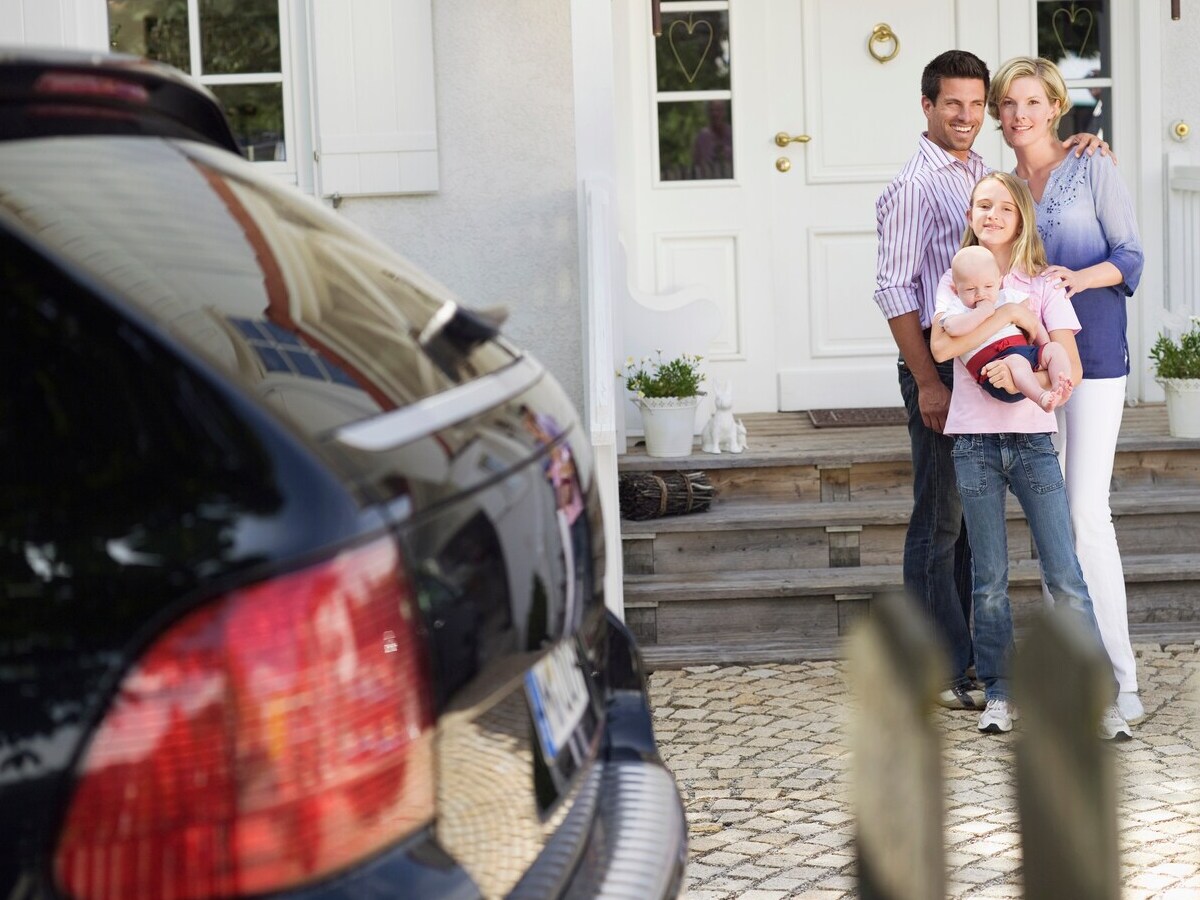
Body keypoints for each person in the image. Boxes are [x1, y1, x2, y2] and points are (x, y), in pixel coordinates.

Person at [873, 50, 1110, 710]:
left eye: (979, 104)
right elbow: (894, 291)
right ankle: (937, 667)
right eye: (954, 103)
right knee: (938, 520)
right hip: (937, 364)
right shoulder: (911, 187)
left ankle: (973, 662)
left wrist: (1081, 143)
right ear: (927, 107)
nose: (968, 116)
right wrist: (927, 380)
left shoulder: (981, 171)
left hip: (986, 373)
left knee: (971, 526)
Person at [930, 171, 1131, 740]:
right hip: (973, 445)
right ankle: (999, 692)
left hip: (1032, 442)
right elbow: (943, 345)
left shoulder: (1042, 284)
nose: (990, 214)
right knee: (989, 578)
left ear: (1020, 218)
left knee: (1065, 573)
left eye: (1002, 207)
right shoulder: (955, 281)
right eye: (981, 205)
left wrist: (1032, 373)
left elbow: (1067, 359)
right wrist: (1010, 317)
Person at [987, 56, 1146, 725]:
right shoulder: (998, 185)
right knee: (1053, 521)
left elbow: (1131, 256)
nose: (1019, 115)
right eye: (1008, 105)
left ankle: (1122, 682)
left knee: (1085, 512)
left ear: (1056, 107)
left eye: (1032, 102)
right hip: (1028, 365)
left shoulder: (1092, 168)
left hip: (1096, 359)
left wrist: (1074, 280)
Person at [938, 245, 1075, 411]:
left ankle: (1058, 389)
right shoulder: (958, 307)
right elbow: (952, 328)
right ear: (955, 289)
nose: (980, 294)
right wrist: (981, 313)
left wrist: (1044, 349)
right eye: (970, 289)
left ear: (999, 281)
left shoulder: (1007, 296)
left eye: (988, 286)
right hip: (994, 368)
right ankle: (1041, 397)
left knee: (1055, 348)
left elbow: (1033, 322)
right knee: (1016, 361)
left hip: (1023, 353)